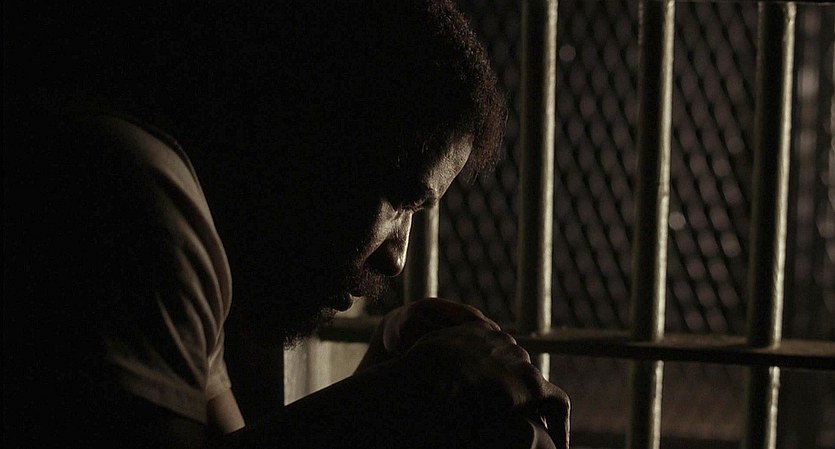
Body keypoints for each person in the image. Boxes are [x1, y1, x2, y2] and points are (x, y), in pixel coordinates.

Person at [3, 1, 570, 448]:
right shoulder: (138, 197)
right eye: (401, 200)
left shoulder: (183, 215)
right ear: (318, 136)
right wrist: (410, 394)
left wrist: (381, 384)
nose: (398, 257)